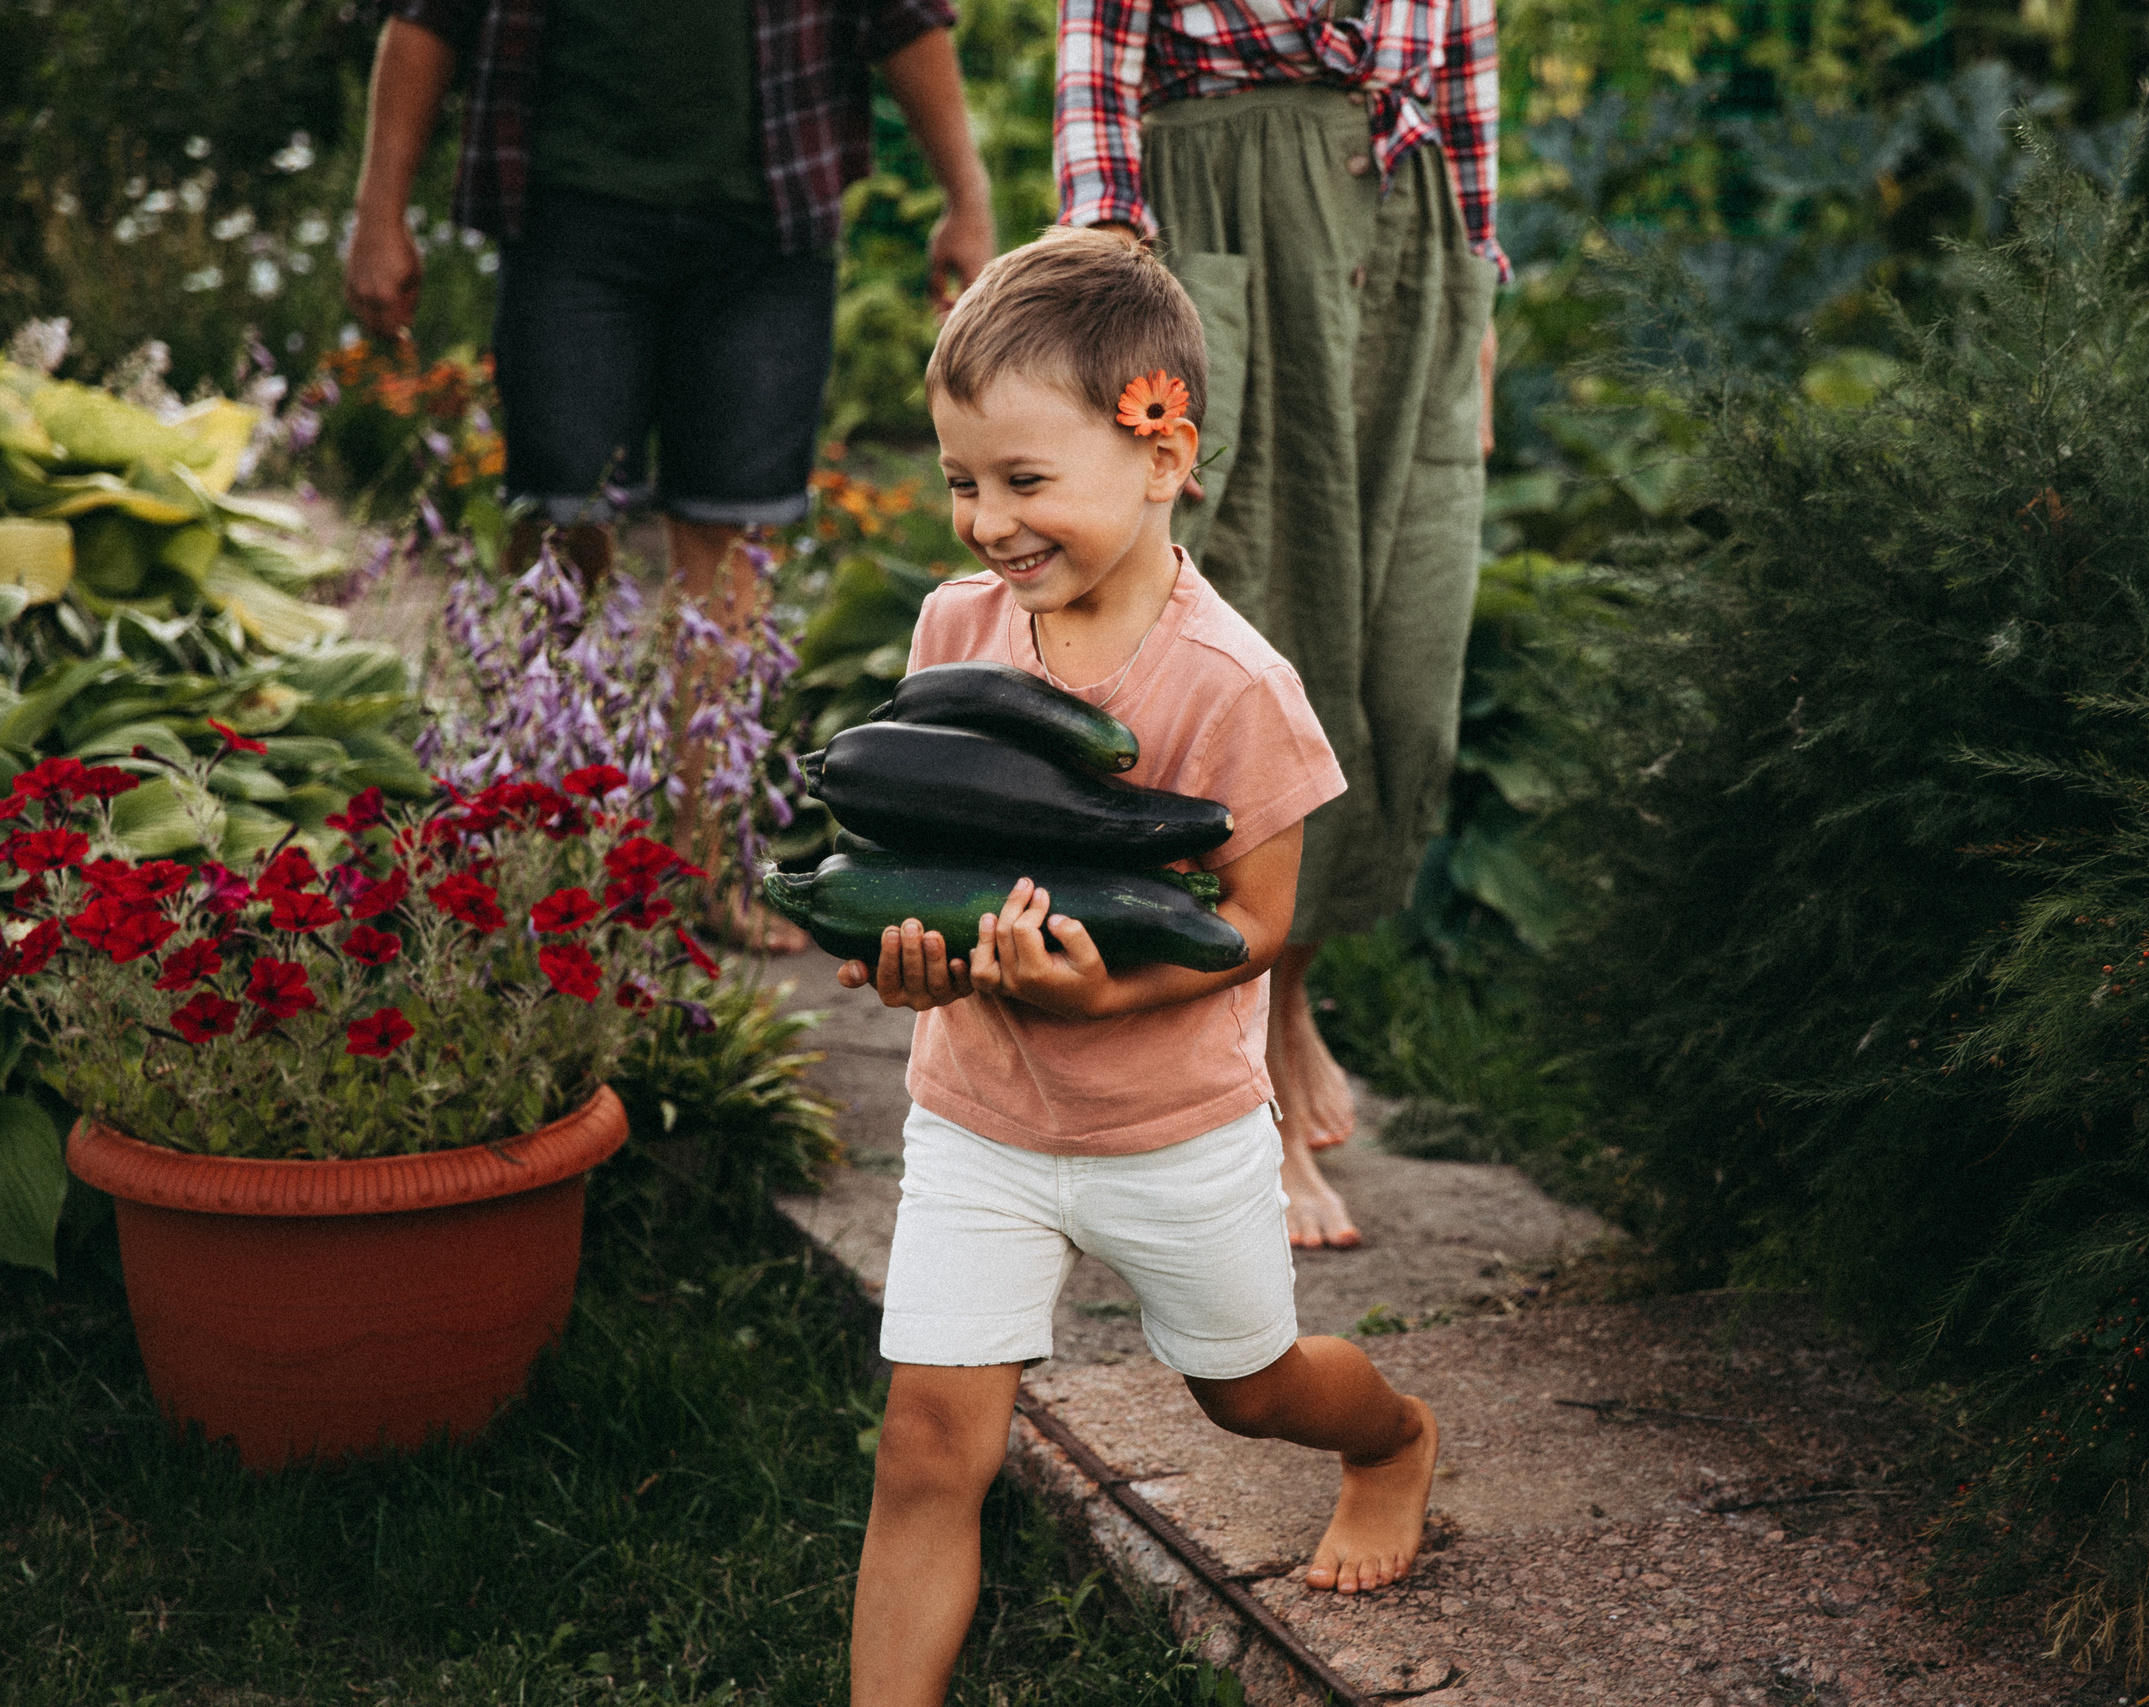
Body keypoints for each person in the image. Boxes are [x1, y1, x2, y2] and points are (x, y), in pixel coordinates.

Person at [834, 229, 1438, 1705]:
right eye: (963, 479)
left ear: (1162, 452)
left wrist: (1099, 992)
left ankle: (1392, 1438)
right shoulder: (954, 631)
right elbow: (935, 856)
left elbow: (1252, 923)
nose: (985, 521)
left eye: (1026, 481)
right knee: (928, 1443)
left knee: (1248, 1392)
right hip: (980, 1115)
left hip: (1171, 1125)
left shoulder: (1234, 684)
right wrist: (914, 967)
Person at [342, 0, 995, 929]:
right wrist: (379, 213)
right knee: (558, 530)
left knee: (728, 549)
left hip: (765, 231)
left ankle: (706, 867)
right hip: (570, 223)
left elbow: (904, 19)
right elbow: (426, 20)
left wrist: (967, 201)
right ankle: (550, 848)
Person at [1053, 0, 1505, 1248]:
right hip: (1216, 242)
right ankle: (1238, 1064)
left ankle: (1287, 994)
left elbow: (1465, 93)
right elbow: (1098, 77)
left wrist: (1476, 320)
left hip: (1407, 251)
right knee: (1250, 657)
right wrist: (1103, 312)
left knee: (1403, 675)